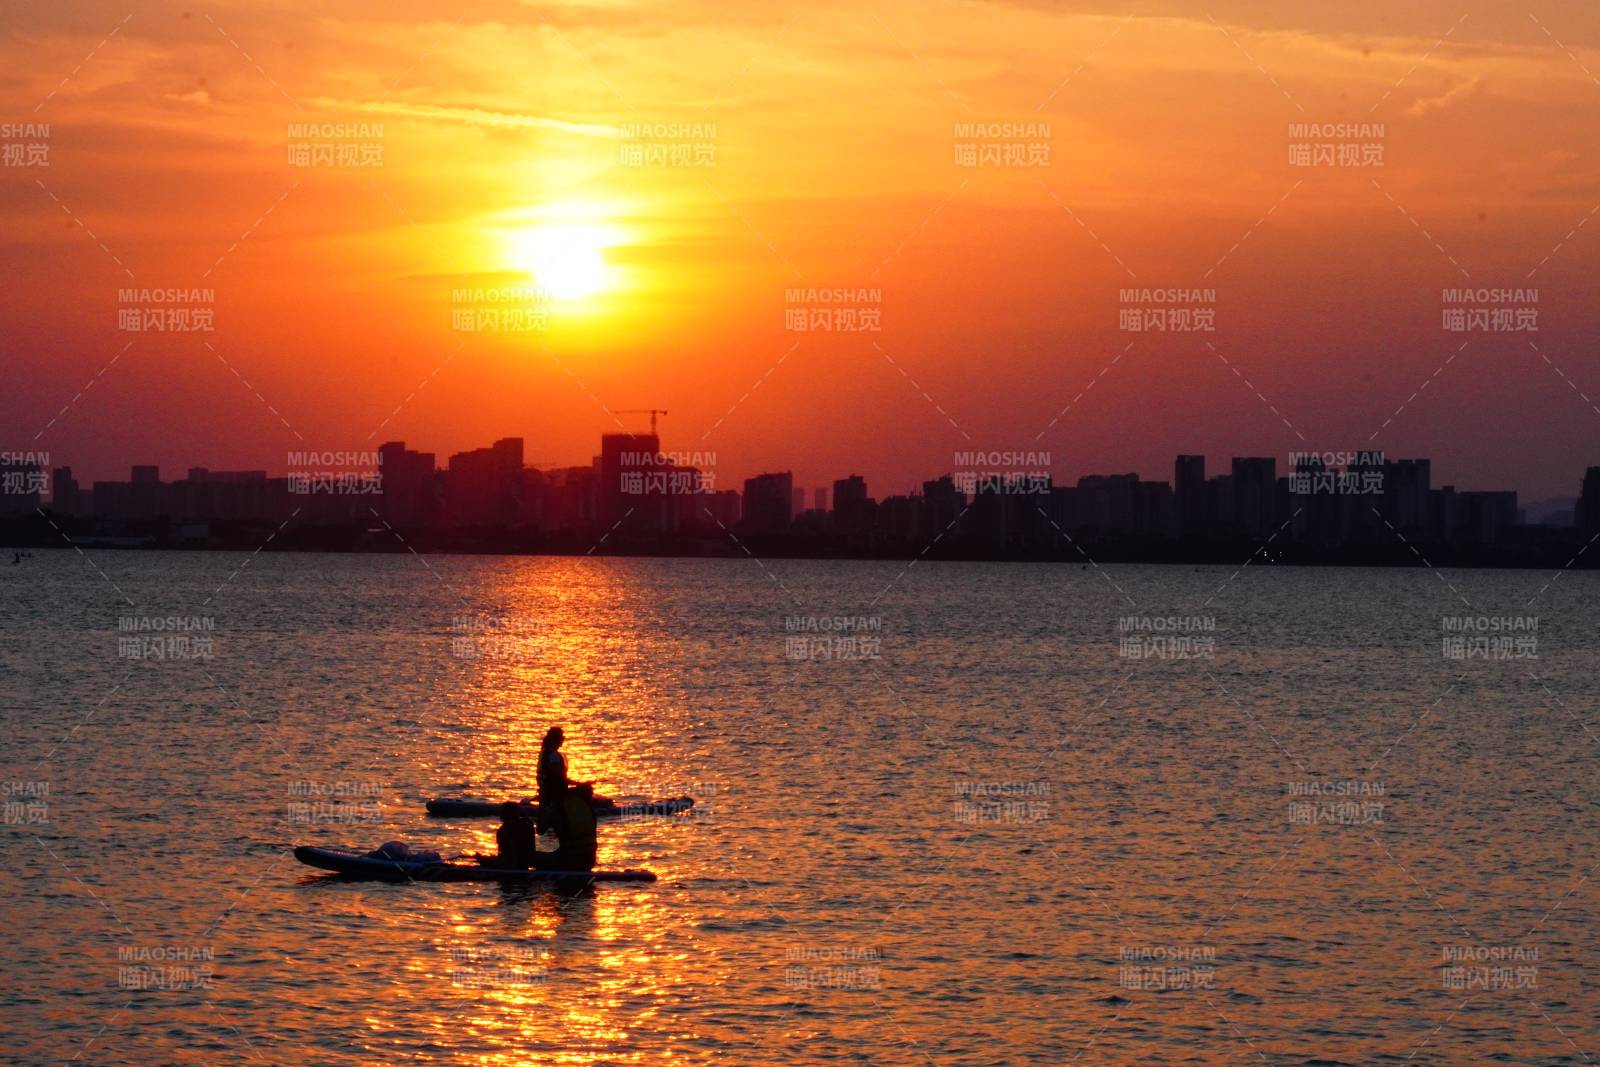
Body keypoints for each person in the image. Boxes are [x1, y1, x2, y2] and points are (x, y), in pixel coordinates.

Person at [492, 801, 538, 869]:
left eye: (502, 812)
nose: (500, 814)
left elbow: (510, 851)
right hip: (525, 862)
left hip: (513, 864)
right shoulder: (527, 825)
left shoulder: (507, 829)